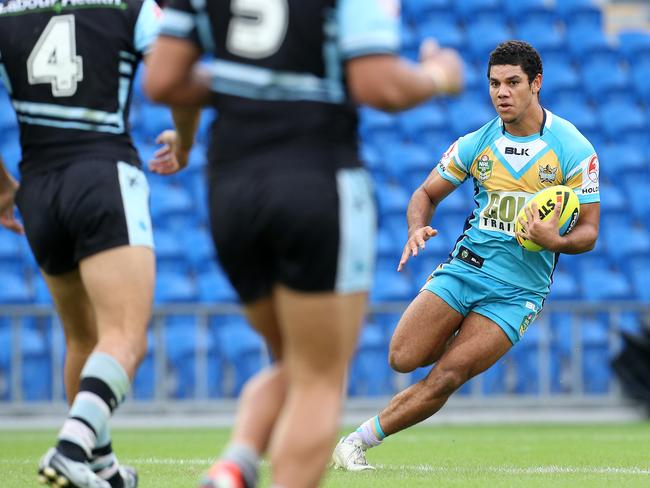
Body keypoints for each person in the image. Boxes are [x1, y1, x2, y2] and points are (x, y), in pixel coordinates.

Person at [144, 1, 464, 487]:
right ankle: (237, 466)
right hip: (315, 177)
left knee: (293, 362)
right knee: (319, 374)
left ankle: (236, 465)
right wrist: (439, 74)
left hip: (230, 185)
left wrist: (248, 81)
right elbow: (378, 84)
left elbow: (162, 81)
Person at [332, 40, 601, 471]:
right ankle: (446, 360)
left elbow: (589, 231)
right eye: (494, 83)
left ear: (536, 83)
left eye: (513, 82)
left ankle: (355, 442)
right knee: (403, 357)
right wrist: (416, 225)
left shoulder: (573, 148)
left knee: (448, 376)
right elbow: (424, 193)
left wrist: (556, 242)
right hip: (465, 270)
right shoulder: (477, 143)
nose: (502, 92)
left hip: (517, 292)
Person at [0, 1, 197, 487]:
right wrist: (185, 141)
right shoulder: (133, 7)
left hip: (38, 188)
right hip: (103, 174)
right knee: (126, 336)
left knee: (82, 339)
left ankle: (100, 467)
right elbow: (175, 77)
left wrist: (4, 189)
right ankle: (71, 448)